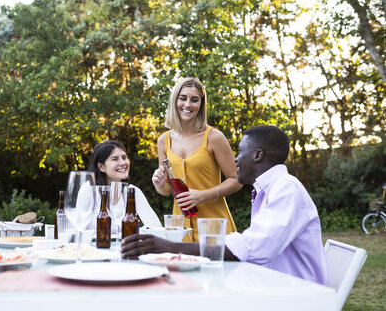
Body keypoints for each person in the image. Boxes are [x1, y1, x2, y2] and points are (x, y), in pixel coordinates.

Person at [122, 125, 328, 285]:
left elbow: (252, 248)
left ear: (257, 155)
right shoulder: (271, 188)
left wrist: (170, 247)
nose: (236, 159)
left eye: (240, 152)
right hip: (272, 283)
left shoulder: (286, 189)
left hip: (295, 293)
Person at [152, 77, 242, 241]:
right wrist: (159, 183)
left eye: (194, 100)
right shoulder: (163, 141)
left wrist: (204, 195)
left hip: (214, 227)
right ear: (175, 101)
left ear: (201, 105)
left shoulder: (214, 137)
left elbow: (236, 180)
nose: (187, 105)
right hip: (180, 231)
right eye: (183, 98)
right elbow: (166, 190)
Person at [83, 140, 161, 232]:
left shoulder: (132, 191)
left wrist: (132, 233)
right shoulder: (89, 190)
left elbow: (156, 228)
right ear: (101, 167)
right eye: (115, 159)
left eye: (124, 157)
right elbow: (78, 229)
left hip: (126, 246)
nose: (123, 163)